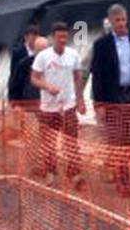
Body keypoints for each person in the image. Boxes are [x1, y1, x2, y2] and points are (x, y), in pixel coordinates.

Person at [90, 4, 130, 197]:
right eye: (117, 20)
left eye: (124, 19)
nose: (121, 24)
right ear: (111, 21)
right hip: (112, 97)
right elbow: (97, 75)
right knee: (117, 140)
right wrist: (99, 104)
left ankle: (116, 166)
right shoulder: (101, 44)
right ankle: (124, 182)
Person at [30, 22, 86, 189]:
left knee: (71, 141)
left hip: (68, 105)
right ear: (53, 37)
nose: (62, 40)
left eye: (65, 37)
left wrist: (80, 100)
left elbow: (78, 77)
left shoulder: (73, 54)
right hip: (48, 107)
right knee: (48, 141)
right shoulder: (43, 56)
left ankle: (74, 174)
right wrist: (47, 87)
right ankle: (51, 172)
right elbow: (34, 78)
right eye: (59, 37)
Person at [8, 36, 48, 103]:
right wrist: (15, 104)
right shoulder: (24, 65)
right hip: (27, 105)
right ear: (35, 50)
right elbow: (14, 86)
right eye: (40, 51)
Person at [6, 24, 40, 96]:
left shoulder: (40, 52)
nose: (35, 41)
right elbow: (14, 72)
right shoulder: (18, 52)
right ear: (26, 38)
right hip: (21, 87)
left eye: (36, 38)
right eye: (33, 38)